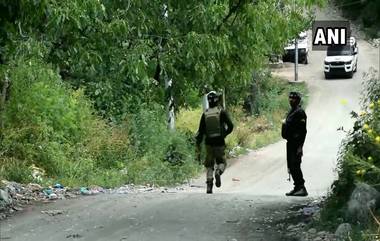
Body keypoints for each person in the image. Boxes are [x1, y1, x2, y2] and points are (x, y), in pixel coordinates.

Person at [196, 91, 234, 194]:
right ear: (217, 100)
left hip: (209, 143)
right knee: (222, 162)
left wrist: (198, 145)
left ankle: (209, 185)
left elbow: (200, 131)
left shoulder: (205, 114)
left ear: (208, 102)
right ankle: (218, 171)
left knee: (209, 164)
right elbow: (230, 126)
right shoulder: (221, 112)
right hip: (219, 142)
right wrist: (224, 134)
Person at [282, 91, 308, 196]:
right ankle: (297, 187)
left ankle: (302, 187)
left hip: (296, 143)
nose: (291, 100)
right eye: (290, 98)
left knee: (295, 165)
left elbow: (303, 131)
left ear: (298, 100)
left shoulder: (300, 112)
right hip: (290, 143)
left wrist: (300, 147)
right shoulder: (292, 111)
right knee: (291, 166)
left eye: (293, 98)